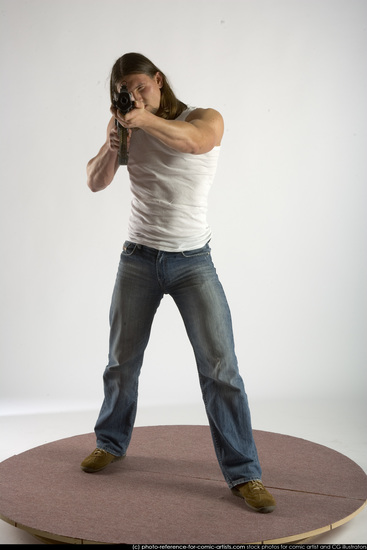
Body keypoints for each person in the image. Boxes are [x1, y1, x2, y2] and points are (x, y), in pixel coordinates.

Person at [81, 52, 276, 514]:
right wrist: (113, 142)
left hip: (192, 262)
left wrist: (143, 120)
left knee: (220, 369)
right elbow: (94, 182)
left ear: (157, 81)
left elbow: (195, 143)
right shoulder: (127, 126)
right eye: (126, 92)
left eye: (140, 86)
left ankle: (244, 473)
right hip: (138, 259)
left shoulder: (203, 118)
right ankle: (110, 442)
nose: (135, 96)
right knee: (121, 363)